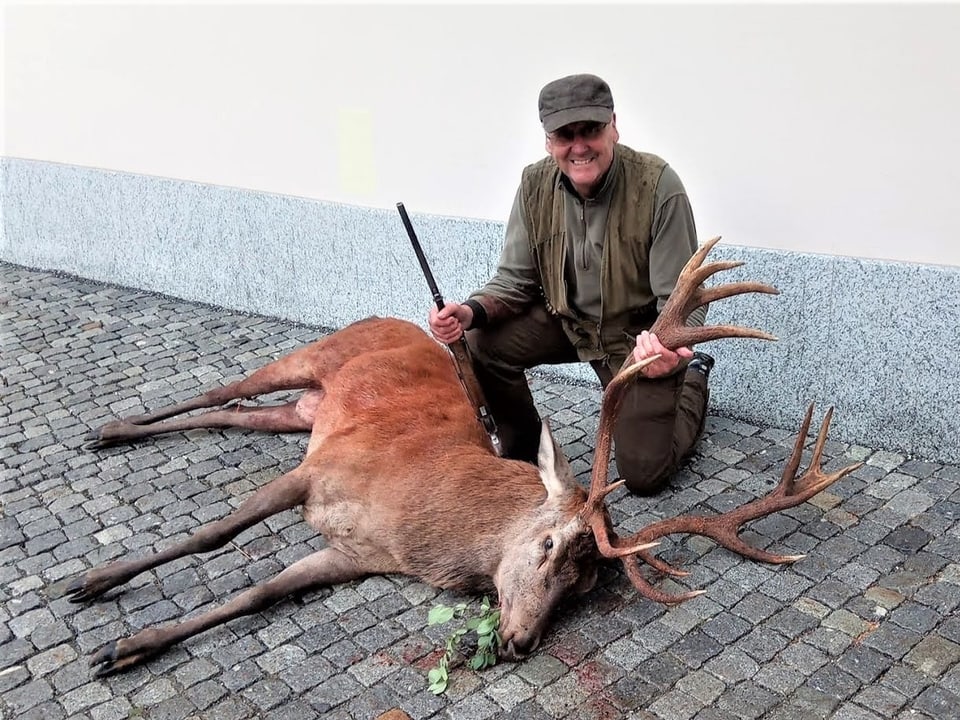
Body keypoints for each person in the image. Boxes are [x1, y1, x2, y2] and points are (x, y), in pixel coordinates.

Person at [428, 73, 714, 496]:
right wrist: (469, 311)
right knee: (480, 339)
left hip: (634, 339)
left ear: (613, 126)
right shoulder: (533, 185)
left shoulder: (658, 186)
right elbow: (514, 280)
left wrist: (665, 350)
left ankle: (692, 382)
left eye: (591, 131)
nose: (579, 146)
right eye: (565, 135)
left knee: (643, 476)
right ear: (548, 141)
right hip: (568, 321)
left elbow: (683, 298)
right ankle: (523, 452)